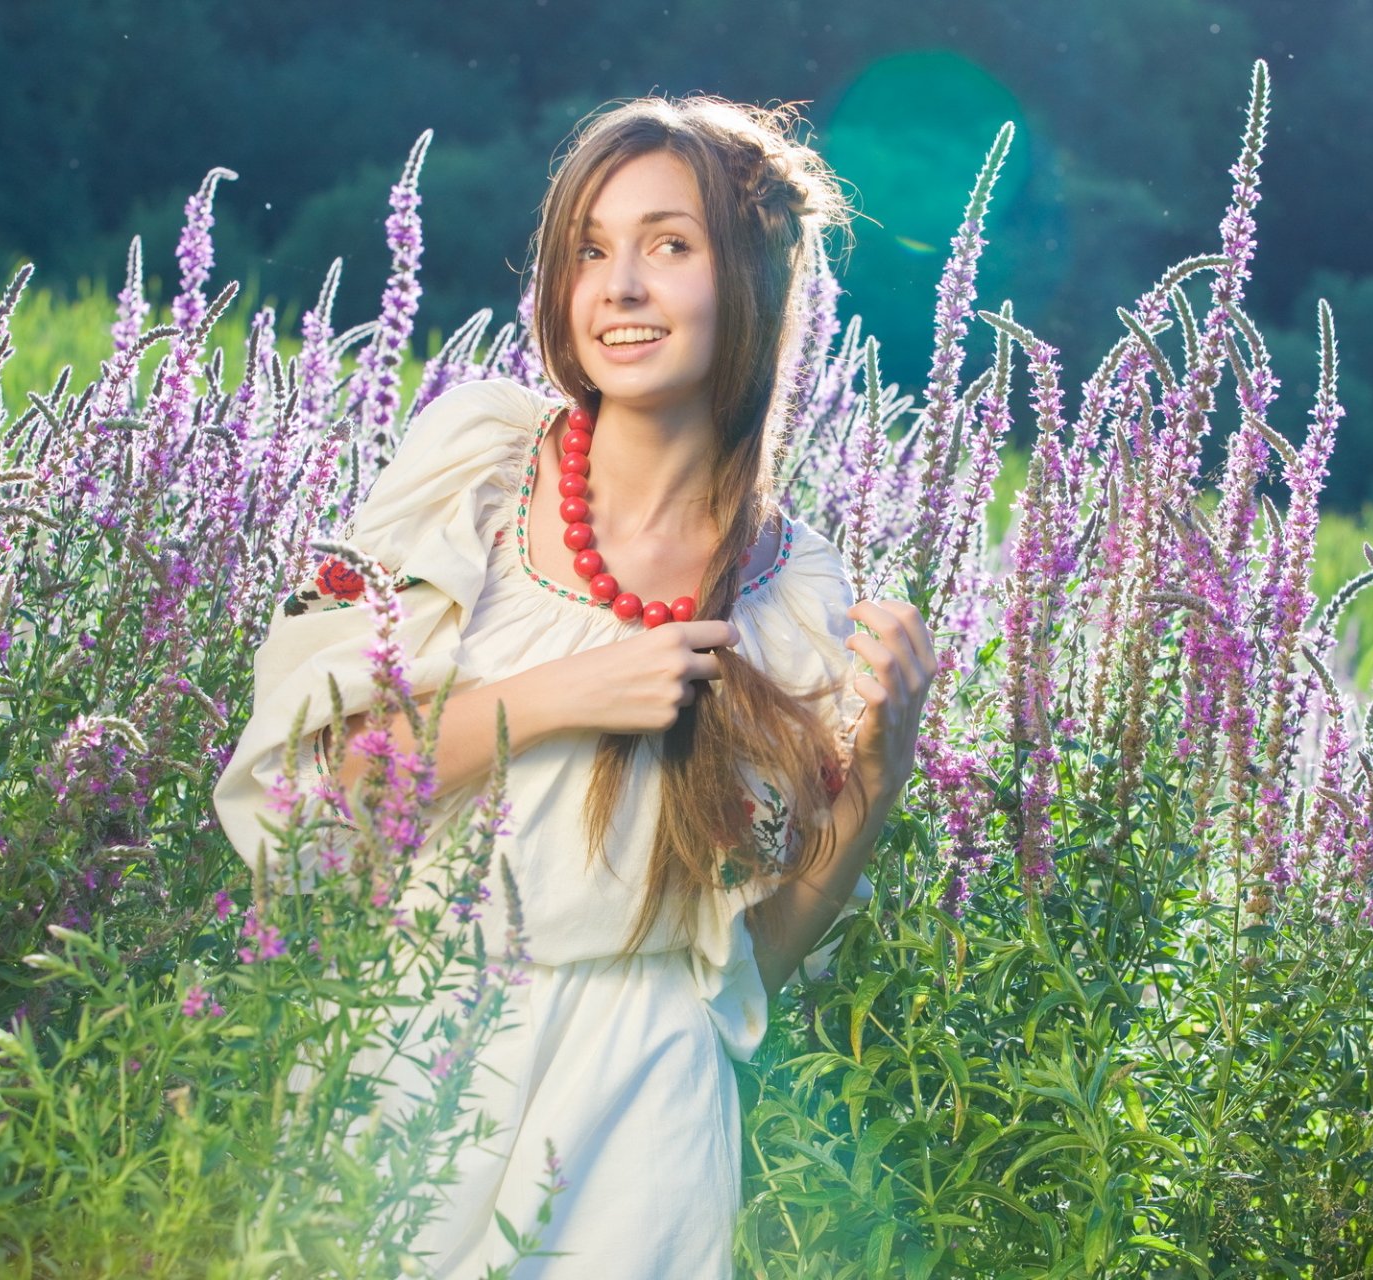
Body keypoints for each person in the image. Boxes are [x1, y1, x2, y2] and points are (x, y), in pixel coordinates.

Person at [213, 93, 937, 1276]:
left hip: (643, 1083)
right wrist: (565, 692)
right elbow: (328, 788)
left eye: (670, 244)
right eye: (591, 250)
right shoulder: (479, 464)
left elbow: (755, 954)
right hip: (413, 1032)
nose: (621, 285)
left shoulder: (795, 589)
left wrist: (879, 768)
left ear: (751, 278)